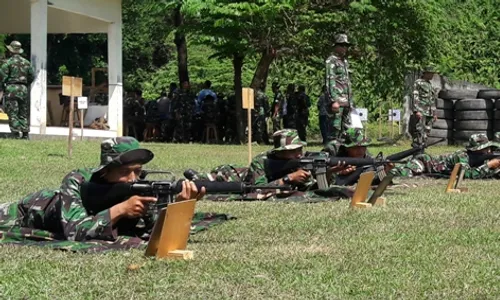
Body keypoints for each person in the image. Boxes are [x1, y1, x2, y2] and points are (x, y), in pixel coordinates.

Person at [0, 137, 205, 246]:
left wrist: (178, 206)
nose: (133, 178)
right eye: (125, 172)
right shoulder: (77, 181)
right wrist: (119, 210)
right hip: (22, 213)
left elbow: (155, 233)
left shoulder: (139, 186)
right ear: (106, 172)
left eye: (138, 171)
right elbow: (75, 232)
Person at [390, 134, 500, 179]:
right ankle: (384, 170)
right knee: (405, 173)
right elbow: (466, 174)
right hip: (426, 163)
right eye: (486, 148)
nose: (489, 150)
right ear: (478, 150)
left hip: (432, 169)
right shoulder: (462, 156)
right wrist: (489, 165)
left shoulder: (478, 158)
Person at [327, 128, 393, 186]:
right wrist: (335, 171)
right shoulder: (333, 151)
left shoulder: (367, 159)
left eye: (363, 147)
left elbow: (371, 180)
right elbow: (319, 173)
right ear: (346, 148)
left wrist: (386, 170)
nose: (360, 151)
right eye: (356, 148)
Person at [0, 41, 35, 139]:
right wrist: (25, 84)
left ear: (11, 51)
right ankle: (25, 134)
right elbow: (32, 76)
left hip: (11, 89)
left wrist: (3, 87)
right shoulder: (26, 63)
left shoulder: (8, 63)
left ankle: (15, 134)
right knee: (23, 111)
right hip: (23, 89)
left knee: (13, 111)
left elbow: (2, 77)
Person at [325, 34, 352, 143]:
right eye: (342, 45)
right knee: (334, 131)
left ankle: (343, 155)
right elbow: (330, 81)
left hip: (347, 102)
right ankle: (332, 153)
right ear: (336, 46)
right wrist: (334, 101)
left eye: (346, 45)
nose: (345, 48)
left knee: (346, 131)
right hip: (338, 102)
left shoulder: (344, 62)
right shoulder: (331, 61)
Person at [410, 66, 438, 148]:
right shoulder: (418, 83)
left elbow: (432, 99)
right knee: (419, 130)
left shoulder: (429, 84)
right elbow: (415, 96)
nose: (432, 75)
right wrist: (416, 110)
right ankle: (416, 148)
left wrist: (434, 113)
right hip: (421, 110)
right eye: (431, 74)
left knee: (427, 130)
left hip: (429, 112)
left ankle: (423, 146)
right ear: (426, 73)